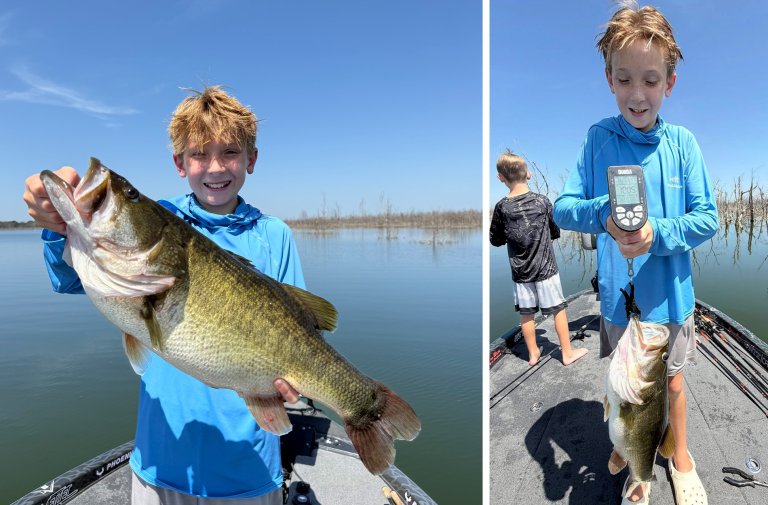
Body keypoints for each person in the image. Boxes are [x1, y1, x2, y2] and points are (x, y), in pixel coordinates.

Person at [23, 86, 303, 504]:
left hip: (250, 469)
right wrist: (58, 221)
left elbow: (304, 329)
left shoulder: (274, 235)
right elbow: (67, 274)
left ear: (251, 159)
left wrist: (293, 383)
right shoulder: (163, 219)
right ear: (179, 163)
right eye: (198, 154)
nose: (214, 167)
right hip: (160, 463)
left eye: (229, 152)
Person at [552, 4, 718, 504]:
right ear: (609, 79)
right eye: (625, 79)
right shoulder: (597, 138)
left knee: (671, 386)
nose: (637, 94)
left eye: (650, 80)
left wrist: (658, 233)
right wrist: (605, 214)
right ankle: (633, 457)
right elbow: (563, 208)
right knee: (622, 393)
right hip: (619, 305)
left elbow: (707, 216)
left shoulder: (684, 144)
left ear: (670, 82)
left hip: (669, 300)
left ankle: (681, 456)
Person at [490, 149, 589, 367]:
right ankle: (567, 353)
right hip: (546, 269)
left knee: (526, 314)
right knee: (558, 309)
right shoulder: (543, 202)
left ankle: (533, 353)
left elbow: (495, 239)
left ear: (501, 178)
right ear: (528, 174)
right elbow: (555, 231)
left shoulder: (501, 207)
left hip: (520, 273)